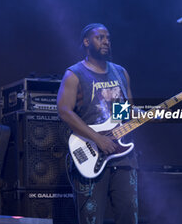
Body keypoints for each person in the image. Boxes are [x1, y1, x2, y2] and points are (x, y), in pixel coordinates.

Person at [57, 23, 138, 224]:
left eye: (108, 38)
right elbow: (64, 111)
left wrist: (149, 114)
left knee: (128, 215)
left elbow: (125, 110)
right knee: (91, 218)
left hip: (122, 155)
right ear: (86, 42)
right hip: (91, 154)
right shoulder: (74, 73)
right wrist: (98, 139)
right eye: (100, 37)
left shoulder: (120, 72)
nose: (106, 42)